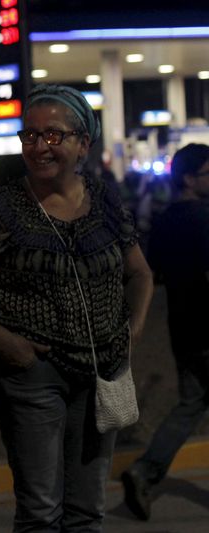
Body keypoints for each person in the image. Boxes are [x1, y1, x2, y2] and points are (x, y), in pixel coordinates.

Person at [0, 84, 153, 531]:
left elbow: (141, 274)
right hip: (32, 375)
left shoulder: (107, 201)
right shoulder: (0, 210)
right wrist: (8, 344)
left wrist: (132, 327)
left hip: (101, 371)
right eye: (30, 136)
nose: (40, 147)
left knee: (87, 510)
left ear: (83, 144)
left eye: (54, 136)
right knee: (40, 511)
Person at [122, 143, 209, 521]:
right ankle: (146, 470)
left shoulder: (166, 219)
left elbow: (154, 269)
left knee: (191, 404)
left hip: (184, 330)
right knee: (191, 403)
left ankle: (145, 470)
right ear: (190, 178)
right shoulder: (205, 218)